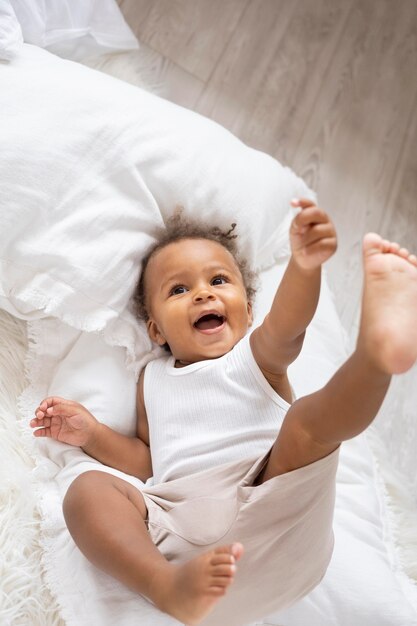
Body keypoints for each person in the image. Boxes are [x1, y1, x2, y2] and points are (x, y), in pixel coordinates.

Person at [31, 199, 417, 626]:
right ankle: (164, 586)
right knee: (86, 490)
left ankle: (376, 358)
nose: (203, 293)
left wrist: (304, 267)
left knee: (306, 423)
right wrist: (93, 435)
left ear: (249, 312)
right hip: (182, 533)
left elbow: (289, 325)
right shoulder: (152, 379)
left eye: (219, 280)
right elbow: (148, 460)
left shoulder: (254, 360)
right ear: (156, 329)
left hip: (276, 509)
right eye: (178, 290)